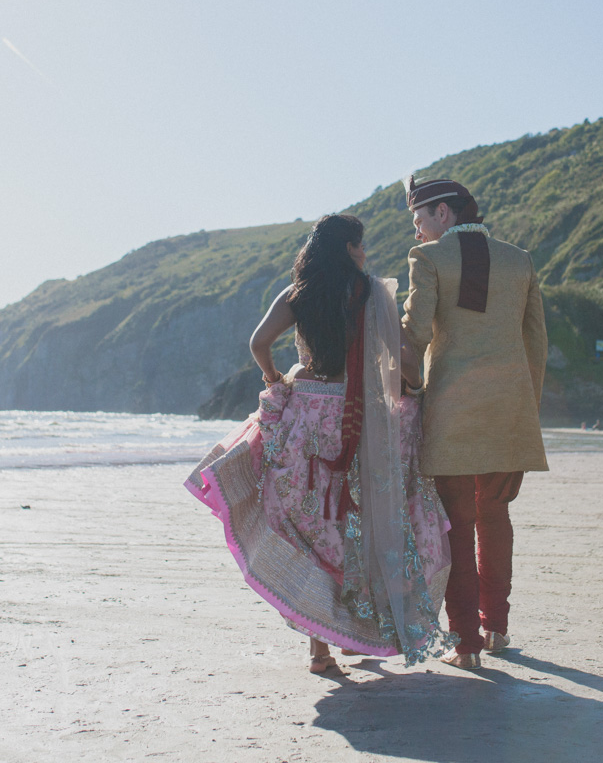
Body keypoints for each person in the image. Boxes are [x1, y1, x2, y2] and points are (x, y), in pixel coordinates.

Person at [185, 214, 454, 674]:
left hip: (307, 418)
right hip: (360, 420)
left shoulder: (298, 295)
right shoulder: (372, 294)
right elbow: (406, 364)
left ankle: (321, 649)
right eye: (361, 245)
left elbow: (259, 342)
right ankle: (354, 633)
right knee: (357, 527)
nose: (365, 253)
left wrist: (274, 379)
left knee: (310, 529)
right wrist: (411, 391)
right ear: (349, 248)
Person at [400, 177, 548, 670]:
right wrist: (527, 408)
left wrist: (396, 386)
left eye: (420, 220)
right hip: (510, 412)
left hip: (452, 412)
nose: (418, 232)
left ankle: (465, 645)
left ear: (443, 212)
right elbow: (536, 344)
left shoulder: (429, 259)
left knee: (457, 525)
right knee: (495, 517)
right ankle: (496, 628)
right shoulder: (519, 260)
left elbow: (416, 333)